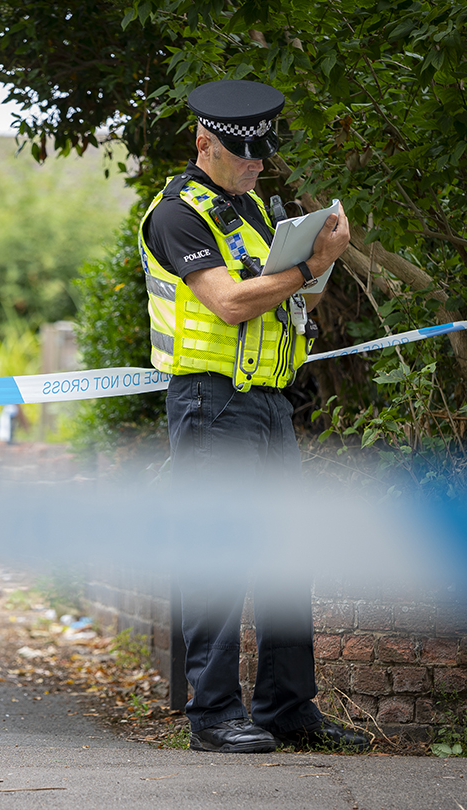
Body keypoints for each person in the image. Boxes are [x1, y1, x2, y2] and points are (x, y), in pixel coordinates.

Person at [138, 79, 369, 753]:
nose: (257, 164)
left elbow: (299, 308)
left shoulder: (255, 213)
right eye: (244, 154)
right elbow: (232, 303)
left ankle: (287, 709)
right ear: (204, 141)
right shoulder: (178, 214)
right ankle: (212, 715)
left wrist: (320, 264)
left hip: (268, 399)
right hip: (211, 402)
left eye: (263, 154)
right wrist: (311, 268)